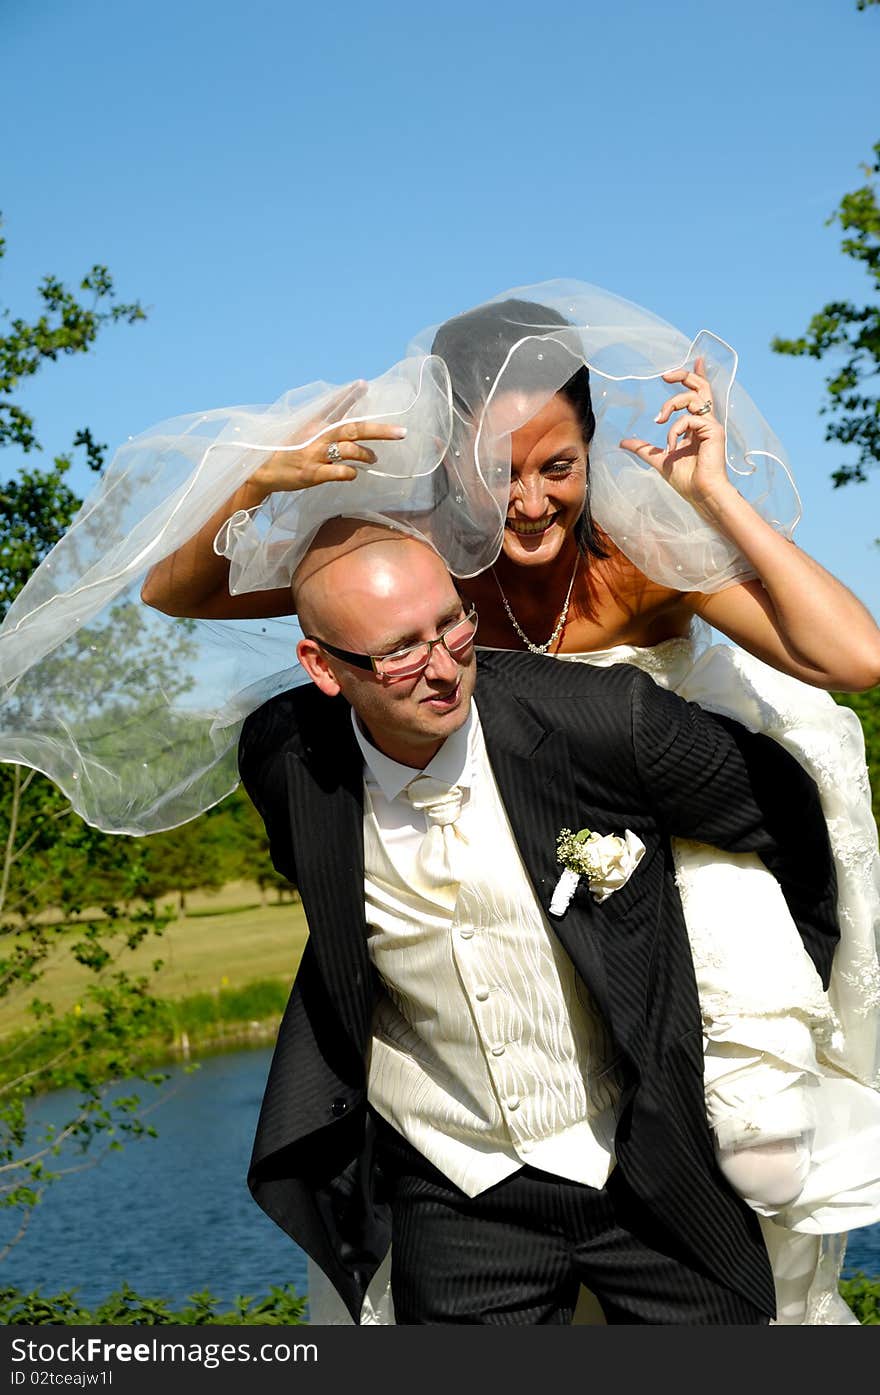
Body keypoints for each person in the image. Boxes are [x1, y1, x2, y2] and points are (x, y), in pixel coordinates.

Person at [2, 280, 878, 1321]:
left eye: (557, 467)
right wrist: (253, 486)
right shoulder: (416, 564)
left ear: (592, 450)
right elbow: (178, 591)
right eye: (497, 472)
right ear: (451, 459)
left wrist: (714, 496)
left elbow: (855, 660)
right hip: (496, 869)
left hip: (667, 840)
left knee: (753, 1149)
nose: (529, 501)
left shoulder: (641, 558)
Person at [238, 516, 841, 1326]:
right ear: (322, 666)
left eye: (452, 624)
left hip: (649, 1163)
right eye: (401, 650)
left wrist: (773, 998)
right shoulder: (285, 759)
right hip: (455, 1180)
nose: (444, 666)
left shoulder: (604, 722)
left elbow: (786, 812)